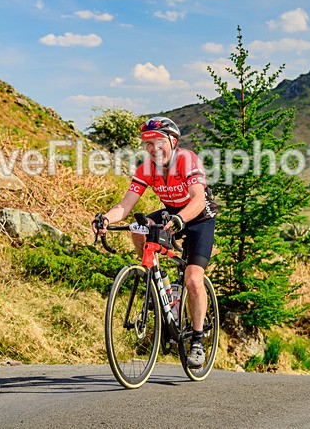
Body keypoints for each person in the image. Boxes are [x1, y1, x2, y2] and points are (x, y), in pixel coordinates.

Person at [92, 116, 218, 369]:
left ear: (172, 141)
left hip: (199, 217)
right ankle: (158, 282)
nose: (152, 148)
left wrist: (182, 219)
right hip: (171, 214)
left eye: (158, 141)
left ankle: (197, 341)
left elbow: (197, 198)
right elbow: (125, 206)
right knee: (138, 229)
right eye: (147, 143)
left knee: (193, 279)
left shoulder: (186, 159)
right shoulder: (146, 169)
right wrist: (106, 218)